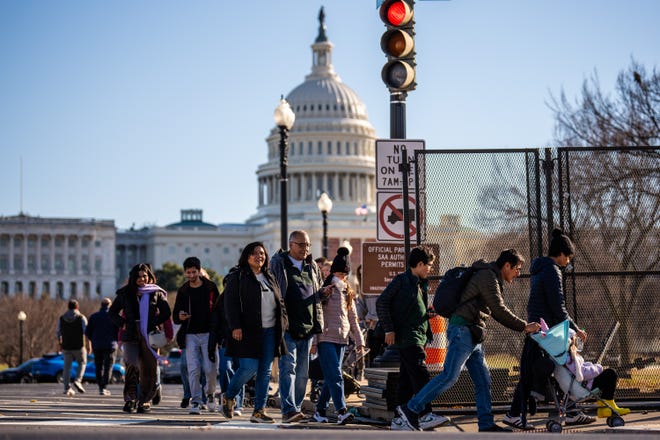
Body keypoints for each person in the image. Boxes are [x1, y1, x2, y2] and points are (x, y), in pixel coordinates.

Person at [394, 249, 542, 432]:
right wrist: (524, 326)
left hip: (472, 334)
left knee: (483, 379)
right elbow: (498, 308)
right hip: (462, 331)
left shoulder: (490, 276)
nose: (518, 273)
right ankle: (410, 409)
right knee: (449, 376)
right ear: (506, 265)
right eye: (517, 269)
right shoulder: (487, 277)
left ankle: (486, 424)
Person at [503, 229, 595, 429]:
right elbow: (558, 307)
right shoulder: (552, 271)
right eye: (568, 257)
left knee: (555, 367)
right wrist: (576, 329)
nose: (568, 261)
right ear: (561, 254)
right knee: (555, 367)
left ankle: (569, 411)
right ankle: (514, 414)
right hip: (546, 331)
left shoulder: (540, 270)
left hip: (538, 327)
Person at [211, 241, 288, 423]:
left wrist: (283, 323)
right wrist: (235, 326)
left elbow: (280, 302)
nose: (259, 256)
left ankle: (259, 411)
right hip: (248, 331)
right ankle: (228, 396)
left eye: (262, 253)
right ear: (247, 256)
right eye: (255, 253)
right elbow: (230, 305)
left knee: (265, 371)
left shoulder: (269, 276)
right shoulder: (237, 277)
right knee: (249, 367)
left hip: (271, 331)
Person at [376, 246, 449, 431]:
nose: (430, 269)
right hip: (408, 337)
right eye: (428, 265)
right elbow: (382, 302)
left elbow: (414, 309)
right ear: (419, 264)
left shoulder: (420, 283)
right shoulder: (401, 281)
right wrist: (388, 330)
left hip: (418, 335)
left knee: (407, 381)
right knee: (421, 374)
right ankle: (425, 414)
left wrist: (427, 314)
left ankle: (399, 420)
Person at [270, 230, 326, 423]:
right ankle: (288, 410)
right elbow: (273, 293)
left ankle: (296, 408)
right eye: (301, 245)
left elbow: (316, 294)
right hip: (287, 327)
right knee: (288, 368)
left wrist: (323, 294)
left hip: (308, 327)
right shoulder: (279, 264)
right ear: (291, 244)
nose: (305, 249)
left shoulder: (312, 266)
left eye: (308, 245)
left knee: (303, 373)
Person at [311, 247, 365, 425]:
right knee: (335, 375)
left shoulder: (347, 292)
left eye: (344, 273)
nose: (342, 277)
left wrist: (359, 341)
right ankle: (342, 411)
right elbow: (316, 316)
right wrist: (315, 342)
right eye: (339, 273)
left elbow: (353, 318)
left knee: (331, 377)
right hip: (325, 338)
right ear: (333, 272)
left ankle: (319, 411)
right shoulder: (325, 290)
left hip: (342, 339)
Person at [109, 263, 171, 413]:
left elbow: (166, 312)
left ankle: (145, 400)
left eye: (145, 276)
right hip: (130, 332)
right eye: (138, 277)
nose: (142, 279)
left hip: (149, 334)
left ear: (149, 277)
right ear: (133, 278)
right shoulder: (124, 293)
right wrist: (122, 324)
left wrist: (152, 323)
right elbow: (112, 312)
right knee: (132, 364)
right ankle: (131, 399)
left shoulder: (155, 292)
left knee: (149, 367)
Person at [172, 256, 220, 415]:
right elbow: (175, 315)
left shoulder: (211, 288)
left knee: (210, 368)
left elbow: (218, 312)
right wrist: (181, 316)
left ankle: (211, 394)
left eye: (194, 272)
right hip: (190, 334)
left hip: (208, 334)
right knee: (193, 370)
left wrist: (218, 333)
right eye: (188, 273)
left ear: (199, 271)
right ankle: (197, 401)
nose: (191, 275)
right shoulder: (183, 290)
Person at [565, 329, 630, 418]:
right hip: (585, 386)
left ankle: (606, 407)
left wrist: (591, 366)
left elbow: (582, 367)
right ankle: (606, 407)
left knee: (608, 374)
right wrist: (598, 368)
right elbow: (583, 373)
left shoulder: (568, 357)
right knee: (610, 374)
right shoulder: (570, 358)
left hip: (583, 384)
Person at [85, 297, 119, 396]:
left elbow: (87, 332)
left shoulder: (94, 317)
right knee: (108, 366)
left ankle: (100, 385)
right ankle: (104, 386)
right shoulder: (114, 317)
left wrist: (93, 340)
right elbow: (118, 331)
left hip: (97, 345)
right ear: (110, 305)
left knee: (98, 366)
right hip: (110, 345)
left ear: (101, 305)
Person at [57, 299, 91, 396]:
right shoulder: (81, 318)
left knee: (66, 367)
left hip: (66, 346)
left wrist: (60, 344)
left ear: (68, 307)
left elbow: (58, 333)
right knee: (82, 362)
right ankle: (78, 380)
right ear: (77, 307)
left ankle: (66, 388)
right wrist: (89, 345)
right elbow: (87, 332)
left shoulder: (62, 318)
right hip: (79, 346)